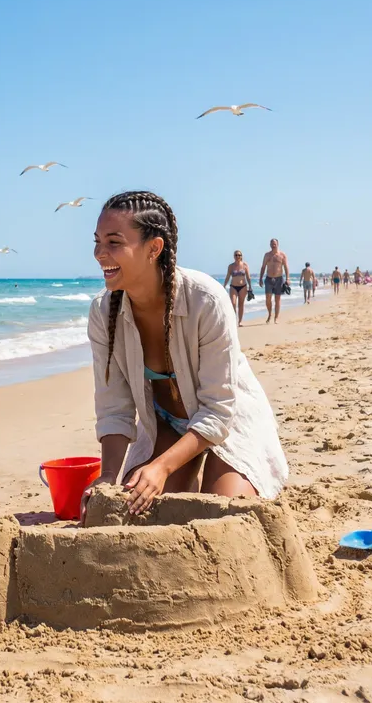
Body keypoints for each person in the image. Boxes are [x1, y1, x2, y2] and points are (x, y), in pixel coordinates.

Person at [82, 190, 288, 519]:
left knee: (220, 517)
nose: (99, 254)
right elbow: (114, 408)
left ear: (154, 248)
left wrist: (161, 468)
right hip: (167, 427)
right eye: (97, 242)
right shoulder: (103, 312)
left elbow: (218, 413)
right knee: (140, 517)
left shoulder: (205, 299)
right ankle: (180, 473)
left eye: (113, 243)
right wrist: (107, 477)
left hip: (229, 422)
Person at [258, 238, 290, 324]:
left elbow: (286, 267)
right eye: (272, 244)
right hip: (268, 279)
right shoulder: (267, 255)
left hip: (279, 279)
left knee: (277, 299)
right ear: (270, 245)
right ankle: (269, 314)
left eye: (274, 244)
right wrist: (260, 278)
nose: (273, 245)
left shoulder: (282, 255)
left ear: (277, 244)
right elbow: (263, 267)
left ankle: (276, 318)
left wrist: (287, 278)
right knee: (268, 299)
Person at [222, 250, 252, 327]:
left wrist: (250, 287)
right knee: (233, 303)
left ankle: (240, 321)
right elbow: (228, 277)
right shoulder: (231, 266)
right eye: (236, 255)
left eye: (239, 255)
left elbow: (248, 277)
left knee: (241, 304)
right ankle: (233, 320)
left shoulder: (245, 265)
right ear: (234, 256)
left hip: (243, 287)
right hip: (233, 287)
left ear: (241, 256)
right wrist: (224, 286)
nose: (237, 256)